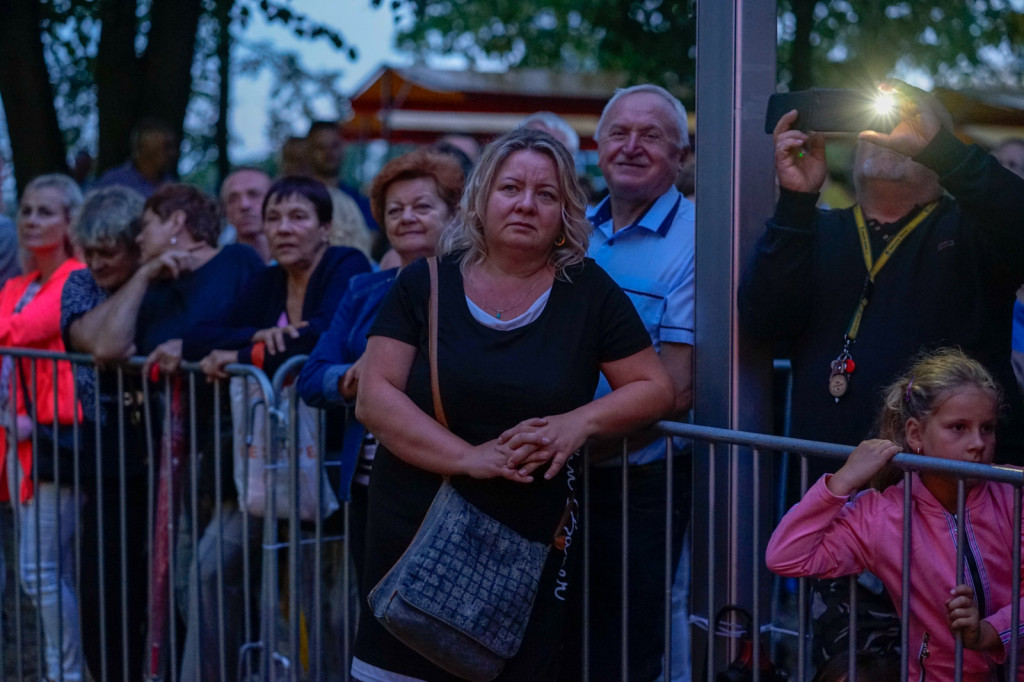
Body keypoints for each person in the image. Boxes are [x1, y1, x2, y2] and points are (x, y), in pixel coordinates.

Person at [351, 128, 674, 681]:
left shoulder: (587, 290)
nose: (526, 204)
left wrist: (578, 423)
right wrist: (468, 458)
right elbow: (374, 396)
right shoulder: (424, 283)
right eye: (510, 188)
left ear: (565, 211)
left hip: (526, 543)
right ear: (481, 199)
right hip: (414, 532)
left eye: (545, 194)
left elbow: (654, 387)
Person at [738, 80, 1024, 467]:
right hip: (832, 482)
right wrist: (795, 202)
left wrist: (944, 152)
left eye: (909, 121)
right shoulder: (813, 229)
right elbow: (763, 321)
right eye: (874, 122)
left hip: (948, 485)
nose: (890, 134)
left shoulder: (973, 230)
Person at [183, 175, 370, 681]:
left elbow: (325, 336)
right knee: (210, 569)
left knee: (329, 606)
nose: (283, 228)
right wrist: (259, 338)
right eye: (274, 218)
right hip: (265, 466)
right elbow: (198, 338)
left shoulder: (347, 265)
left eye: (298, 217)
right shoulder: (268, 281)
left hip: (331, 466)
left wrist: (244, 355)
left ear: (325, 228)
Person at [766, 348, 1024, 681]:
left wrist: (991, 632)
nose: (978, 443)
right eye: (959, 427)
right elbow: (785, 556)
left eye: (987, 428)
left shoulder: (1014, 490)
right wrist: (842, 480)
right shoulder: (882, 515)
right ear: (915, 434)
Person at [297, 148, 464, 599]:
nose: (407, 217)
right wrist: (354, 379)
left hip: (441, 482)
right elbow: (311, 377)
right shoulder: (363, 289)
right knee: (373, 612)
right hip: (368, 485)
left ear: (454, 214)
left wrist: (390, 375)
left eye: (422, 206)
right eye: (394, 210)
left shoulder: (472, 290)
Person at [576, 83, 696, 682]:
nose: (631, 146)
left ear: (681, 155)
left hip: (640, 480)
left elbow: (679, 387)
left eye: (651, 135)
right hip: (562, 471)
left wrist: (569, 443)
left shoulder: (700, 238)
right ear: (598, 147)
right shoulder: (574, 230)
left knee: (631, 646)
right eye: (618, 133)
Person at [60, 185, 149, 681]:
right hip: (104, 445)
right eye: (89, 252)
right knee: (102, 580)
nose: (96, 263)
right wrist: (141, 280)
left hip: (159, 447)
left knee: (156, 581)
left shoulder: (162, 280)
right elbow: (98, 343)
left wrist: (147, 275)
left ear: (137, 245)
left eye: (108, 252)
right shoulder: (79, 285)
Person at [0, 173, 85, 682]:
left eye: (46, 211)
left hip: (57, 440)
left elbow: (20, 330)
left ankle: (65, 673)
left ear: (71, 221)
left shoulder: (77, 279)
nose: (32, 220)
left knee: (37, 571)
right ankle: (65, 670)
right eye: (27, 210)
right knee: (50, 569)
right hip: (19, 442)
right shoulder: (17, 284)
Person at [306, 120, 377, 230]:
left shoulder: (358, 200)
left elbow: (372, 235)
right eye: (321, 147)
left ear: (343, 148)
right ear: (309, 151)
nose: (328, 152)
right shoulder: (300, 198)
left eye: (334, 146)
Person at [94, 117, 179, 198]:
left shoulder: (172, 186)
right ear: (145, 149)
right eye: (166, 147)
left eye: (173, 147)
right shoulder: (114, 182)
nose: (173, 153)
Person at [219, 167, 272, 263]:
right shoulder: (218, 262)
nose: (244, 205)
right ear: (225, 209)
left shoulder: (296, 261)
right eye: (233, 199)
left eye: (254, 195)